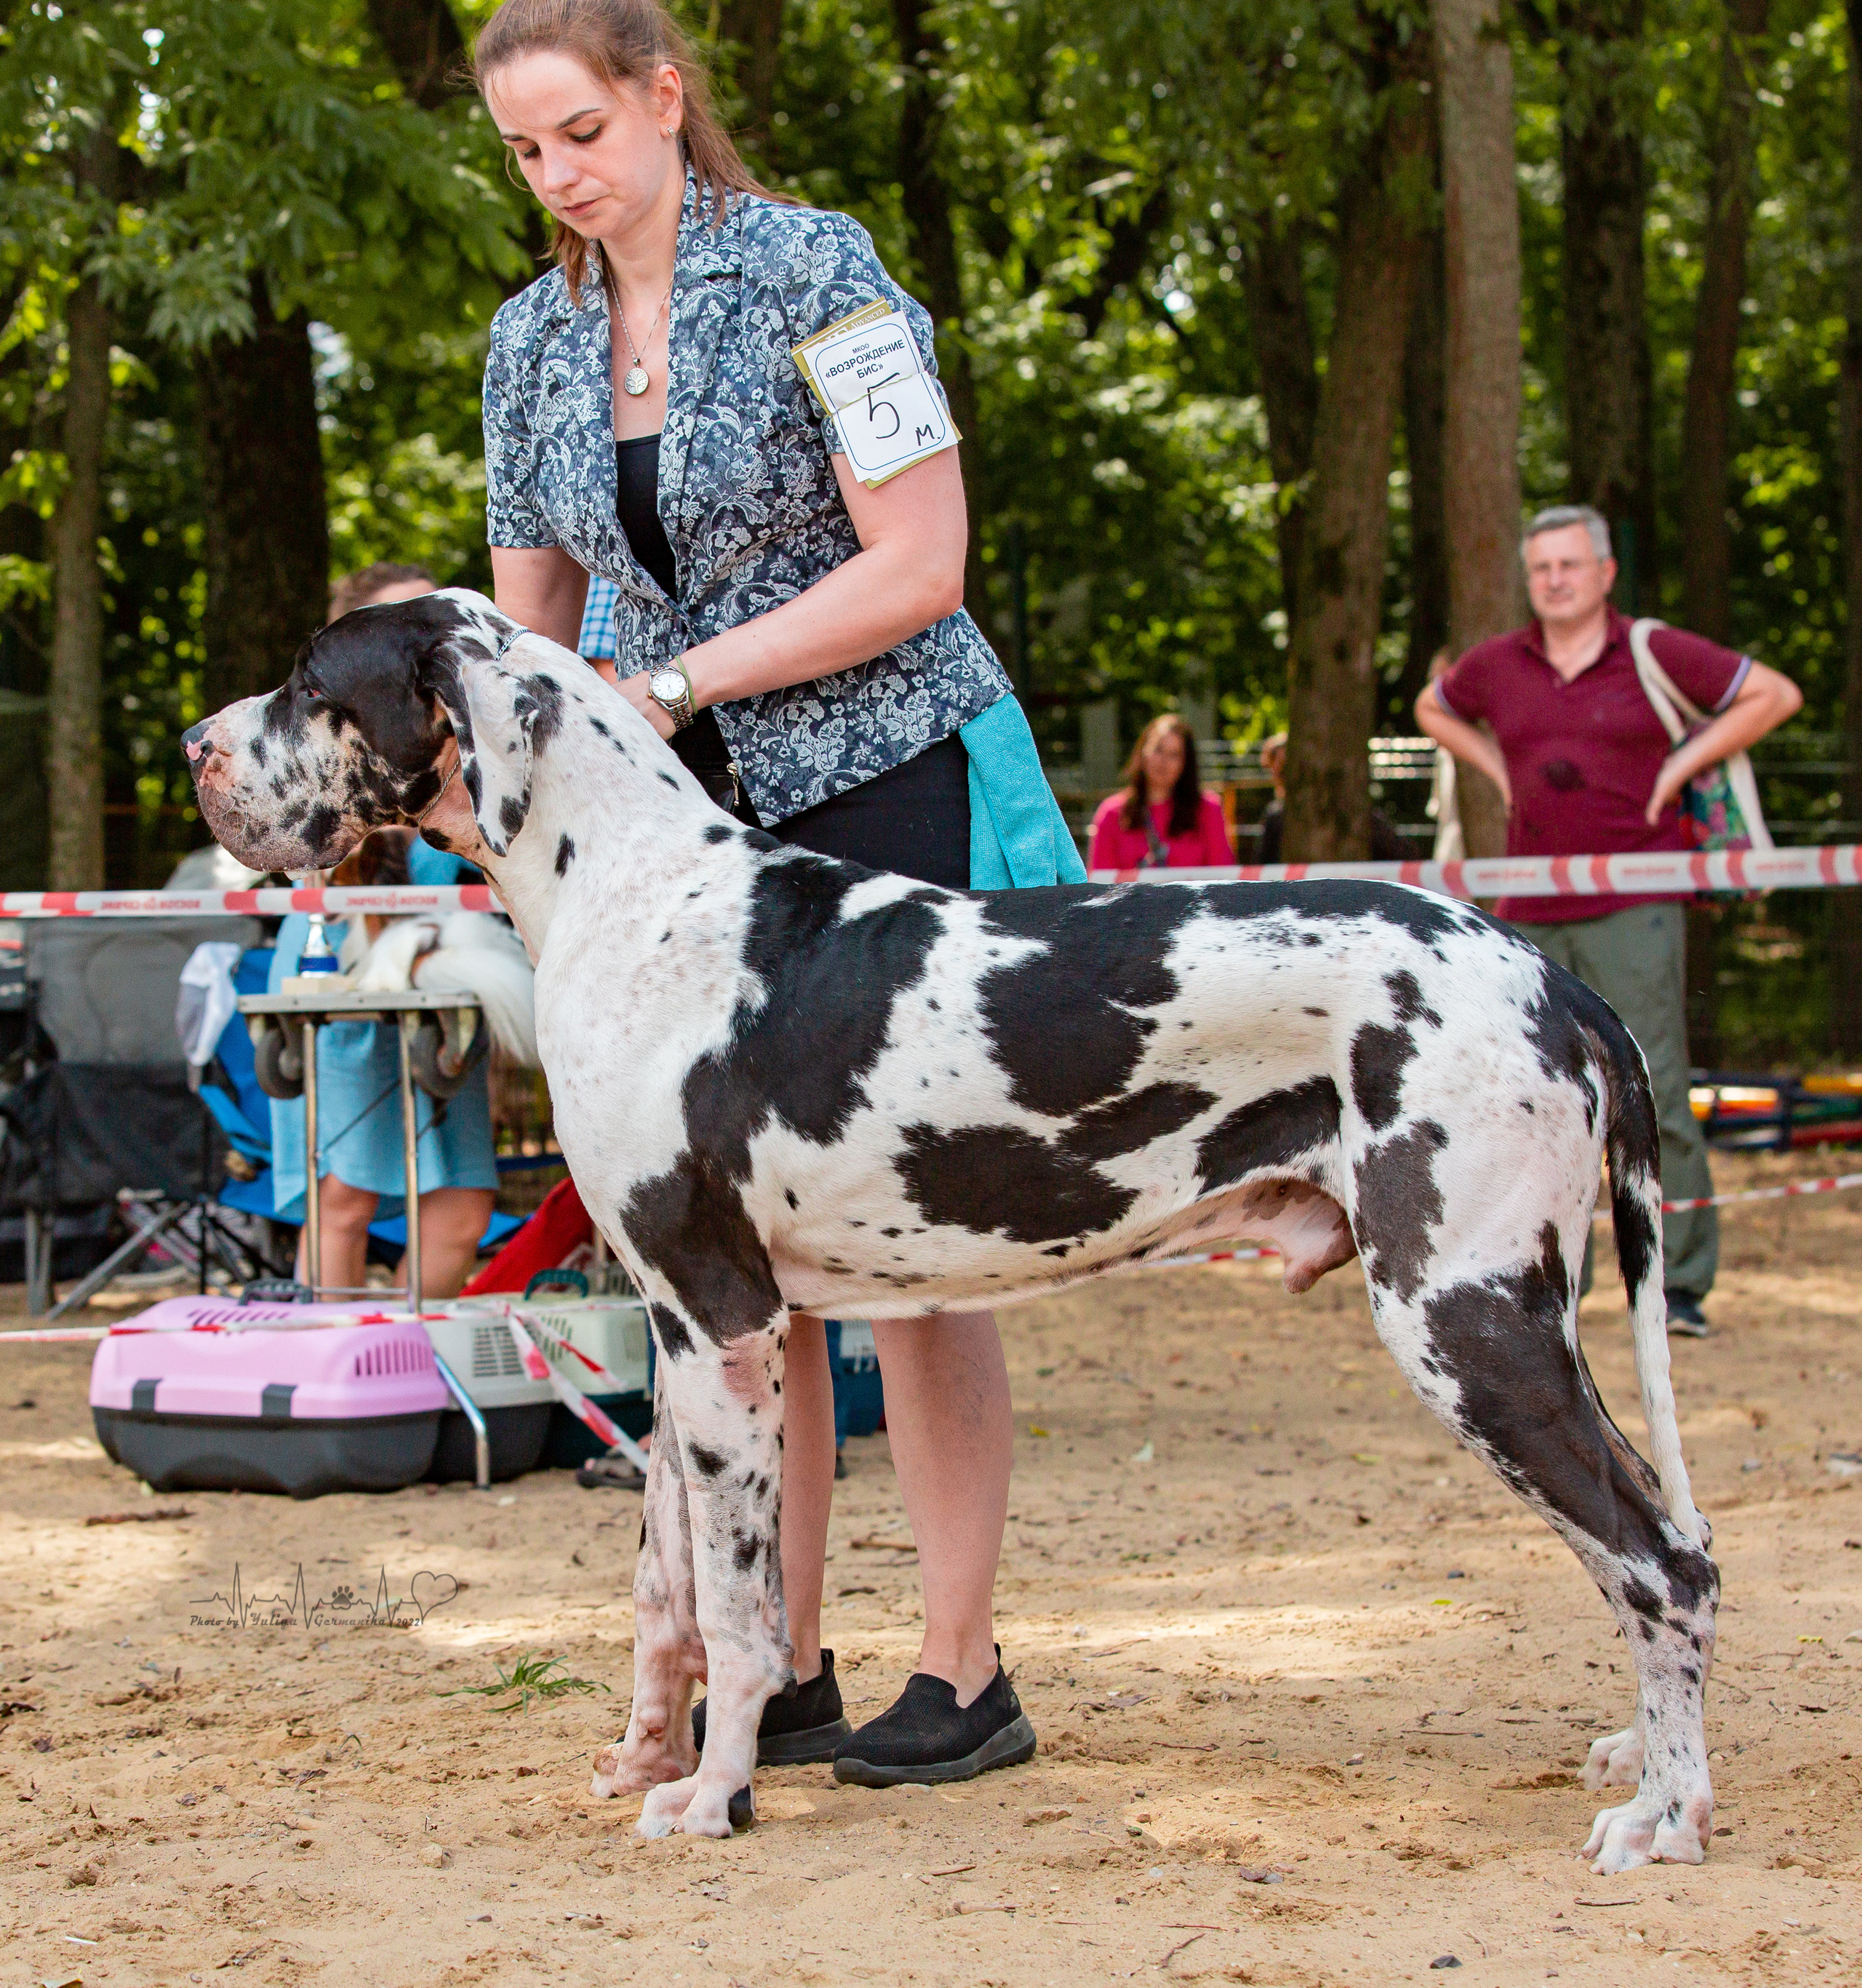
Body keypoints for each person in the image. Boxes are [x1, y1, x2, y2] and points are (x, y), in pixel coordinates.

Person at [473, 0, 1083, 1786]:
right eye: (524, 151)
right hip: (676, 836)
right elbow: (534, 648)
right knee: (736, 1267)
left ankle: (961, 1671)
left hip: (885, 777)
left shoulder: (824, 269)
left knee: (913, 1252)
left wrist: (678, 684)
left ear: (666, 99)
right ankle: (780, 1658)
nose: (558, 175)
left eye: (581, 130)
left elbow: (919, 563)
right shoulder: (528, 342)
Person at [1416, 503, 1802, 1334]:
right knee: (1535, 1100)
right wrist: (1496, 771)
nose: (1554, 581)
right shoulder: (1498, 663)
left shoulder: (1652, 651)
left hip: (1639, 904)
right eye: (1540, 568)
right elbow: (1430, 708)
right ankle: (1551, 1285)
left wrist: (1681, 765)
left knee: (1651, 1086)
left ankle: (1679, 1285)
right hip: (1527, 909)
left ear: (1603, 573)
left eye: (1568, 565)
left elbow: (1774, 694)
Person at [268, 564, 500, 1298]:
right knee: (345, 1198)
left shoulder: (476, 740)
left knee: (462, 1206)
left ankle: (406, 1373)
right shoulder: (317, 748)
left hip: (445, 982)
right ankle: (334, 1383)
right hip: (342, 970)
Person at [1087, 714, 1234, 869]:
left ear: (1186, 764)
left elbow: (1223, 877)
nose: (1164, 761)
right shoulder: (1111, 813)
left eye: (1174, 755)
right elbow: (1101, 884)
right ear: (1143, 752)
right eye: (1158, 749)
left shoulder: (1208, 810)